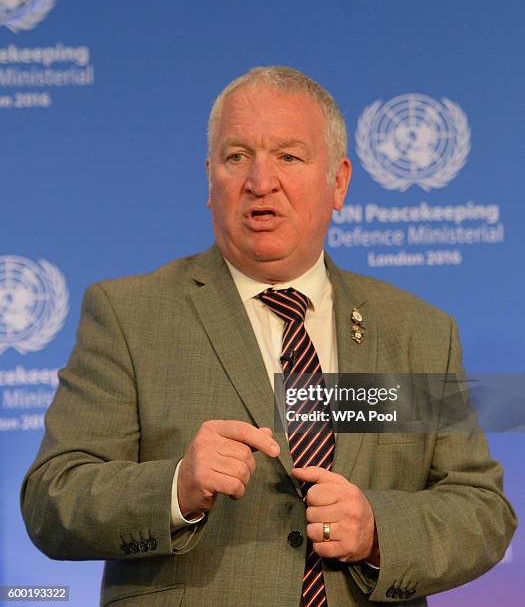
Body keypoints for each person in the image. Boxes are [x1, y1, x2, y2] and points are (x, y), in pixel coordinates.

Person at [21, 66, 516, 606]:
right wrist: (175, 488)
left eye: (289, 156)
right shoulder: (129, 315)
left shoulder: (418, 332)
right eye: (237, 157)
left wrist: (378, 530)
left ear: (339, 182)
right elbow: (53, 500)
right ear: (210, 179)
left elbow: (481, 509)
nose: (261, 181)